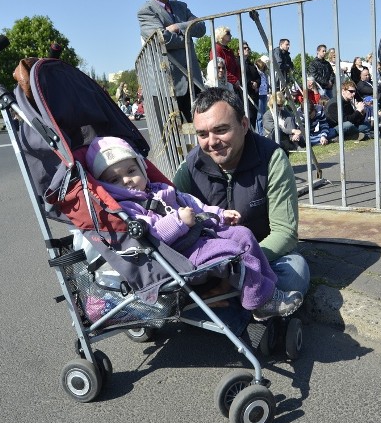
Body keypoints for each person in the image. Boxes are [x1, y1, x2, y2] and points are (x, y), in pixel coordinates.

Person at [86, 136, 302, 320]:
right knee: (234, 253)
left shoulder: (159, 189)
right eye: (114, 179)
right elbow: (150, 236)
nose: (127, 181)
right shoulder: (126, 209)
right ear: (104, 186)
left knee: (243, 234)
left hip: (197, 236)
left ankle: (269, 291)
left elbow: (193, 203)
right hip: (178, 254)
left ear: (142, 167)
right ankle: (259, 302)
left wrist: (219, 214)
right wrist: (179, 221)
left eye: (131, 170)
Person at [172, 87, 310, 298]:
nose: (211, 142)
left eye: (220, 130)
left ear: (244, 125)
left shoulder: (272, 159)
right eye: (202, 134)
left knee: (295, 273)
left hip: (263, 254)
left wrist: (241, 267)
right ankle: (246, 298)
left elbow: (285, 233)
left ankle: (225, 297)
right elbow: (173, 222)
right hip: (211, 260)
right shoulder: (190, 167)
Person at [137, 0, 207, 122]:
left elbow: (201, 28)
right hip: (166, 86)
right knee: (171, 137)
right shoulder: (146, 11)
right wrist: (188, 36)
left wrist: (178, 26)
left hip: (192, 80)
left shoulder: (181, 7)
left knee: (202, 129)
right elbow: (163, 40)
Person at [242, 42, 261, 130]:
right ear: (239, 51)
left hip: (253, 96)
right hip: (244, 95)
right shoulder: (238, 63)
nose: (247, 49)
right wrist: (250, 84)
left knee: (253, 119)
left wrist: (256, 83)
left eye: (248, 48)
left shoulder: (251, 64)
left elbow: (258, 77)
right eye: (244, 48)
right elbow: (241, 77)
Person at [254, 57, 270, 136]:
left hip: (264, 94)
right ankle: (259, 133)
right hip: (259, 94)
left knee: (263, 114)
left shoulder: (264, 73)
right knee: (259, 114)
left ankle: (262, 132)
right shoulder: (257, 70)